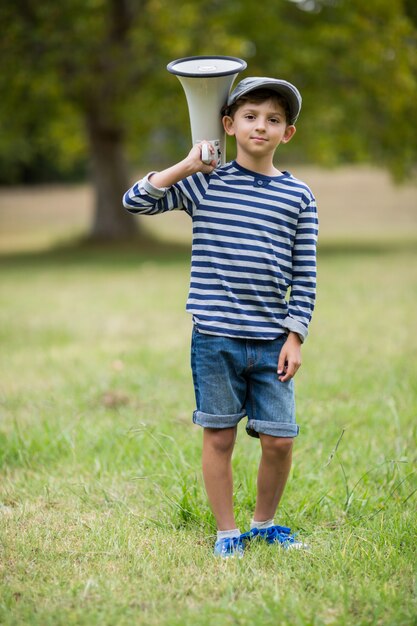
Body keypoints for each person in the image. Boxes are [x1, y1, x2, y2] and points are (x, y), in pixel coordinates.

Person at [123, 76, 318, 558]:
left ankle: (263, 524)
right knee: (219, 435)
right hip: (215, 337)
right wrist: (189, 163)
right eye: (250, 116)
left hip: (272, 340)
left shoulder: (299, 197)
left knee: (278, 440)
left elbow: (306, 273)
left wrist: (295, 336)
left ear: (286, 133)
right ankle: (227, 532)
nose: (261, 126)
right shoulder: (204, 185)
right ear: (228, 125)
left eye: (274, 119)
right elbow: (136, 200)